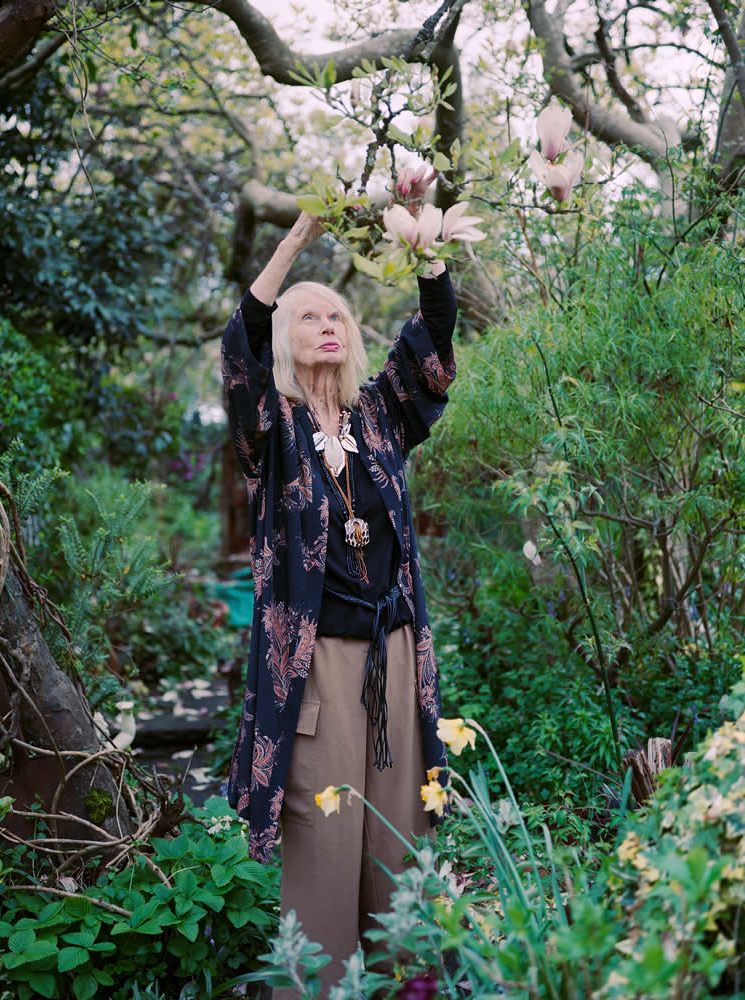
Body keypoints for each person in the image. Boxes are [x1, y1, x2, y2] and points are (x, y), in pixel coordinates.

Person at [222, 211, 457, 997]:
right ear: (285, 337)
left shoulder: (379, 416)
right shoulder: (270, 429)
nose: (327, 325)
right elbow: (239, 346)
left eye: (337, 316)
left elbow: (432, 340)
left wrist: (426, 252)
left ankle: (409, 987)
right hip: (316, 670)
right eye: (308, 315)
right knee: (324, 851)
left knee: (401, 844)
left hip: (394, 659)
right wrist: (294, 241)